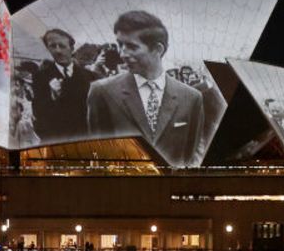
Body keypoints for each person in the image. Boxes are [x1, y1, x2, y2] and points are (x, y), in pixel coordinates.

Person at [86, 10, 206, 167]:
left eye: (131, 46)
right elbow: (98, 154)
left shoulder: (191, 97)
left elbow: (192, 153)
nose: (122, 54)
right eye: (120, 45)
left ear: (158, 49)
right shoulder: (102, 92)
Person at [31, 28, 96, 143]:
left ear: (71, 48)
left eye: (62, 46)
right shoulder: (40, 77)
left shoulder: (90, 77)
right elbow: (38, 113)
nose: (58, 51)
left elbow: (96, 113)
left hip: (85, 140)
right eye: (52, 46)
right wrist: (53, 97)